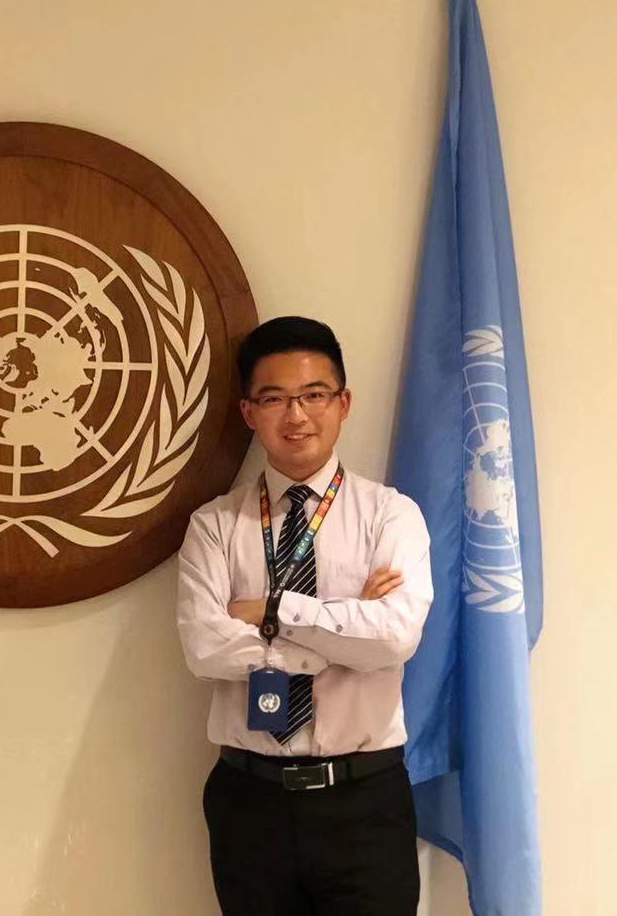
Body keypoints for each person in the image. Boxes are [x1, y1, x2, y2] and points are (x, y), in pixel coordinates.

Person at [176, 316, 433, 915]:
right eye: (274, 398)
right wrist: (342, 629)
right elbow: (205, 649)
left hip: (365, 801)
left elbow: (394, 638)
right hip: (250, 802)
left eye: (314, 394)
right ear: (249, 412)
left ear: (343, 403)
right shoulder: (214, 527)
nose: (296, 415)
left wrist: (271, 610)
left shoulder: (390, 515)